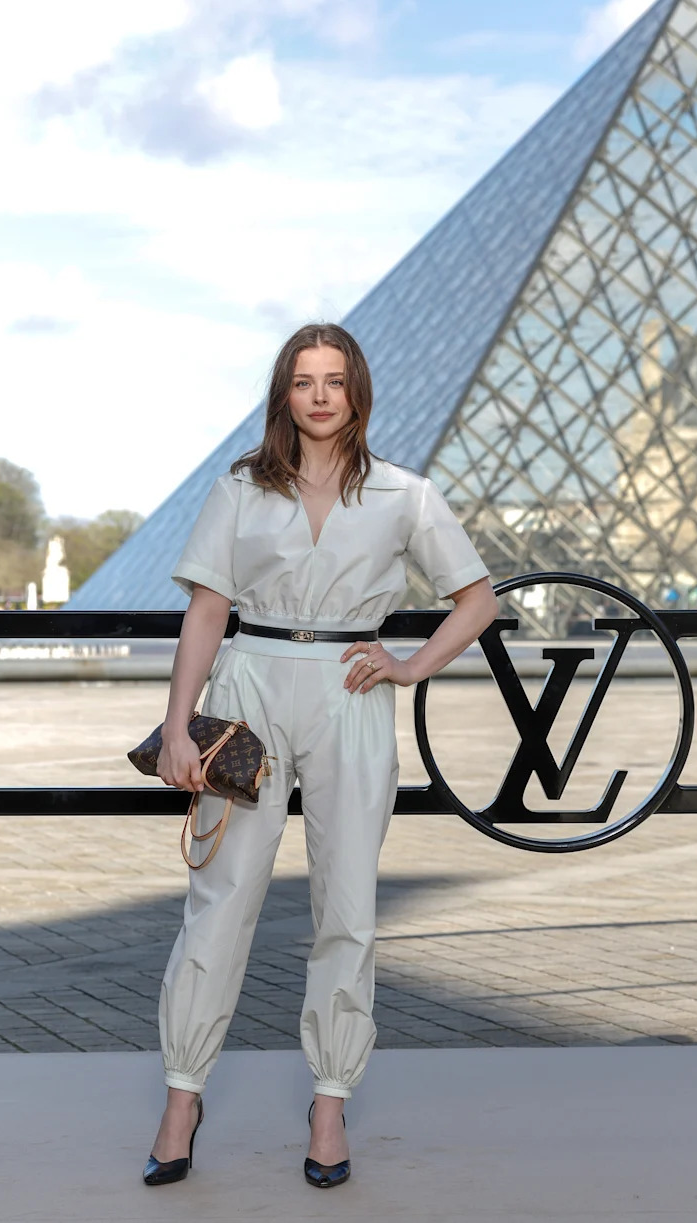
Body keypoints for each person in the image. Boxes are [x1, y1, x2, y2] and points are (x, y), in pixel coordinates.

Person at [144, 322, 498, 1189]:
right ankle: (183, 1096)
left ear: (358, 391)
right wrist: (179, 724)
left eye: (335, 379)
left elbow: (478, 598)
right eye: (304, 380)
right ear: (285, 395)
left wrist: (409, 665)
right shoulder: (238, 488)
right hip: (251, 684)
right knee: (221, 902)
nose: (320, 395)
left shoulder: (406, 495)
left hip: (352, 690)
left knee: (348, 906)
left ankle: (331, 1101)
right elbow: (206, 612)